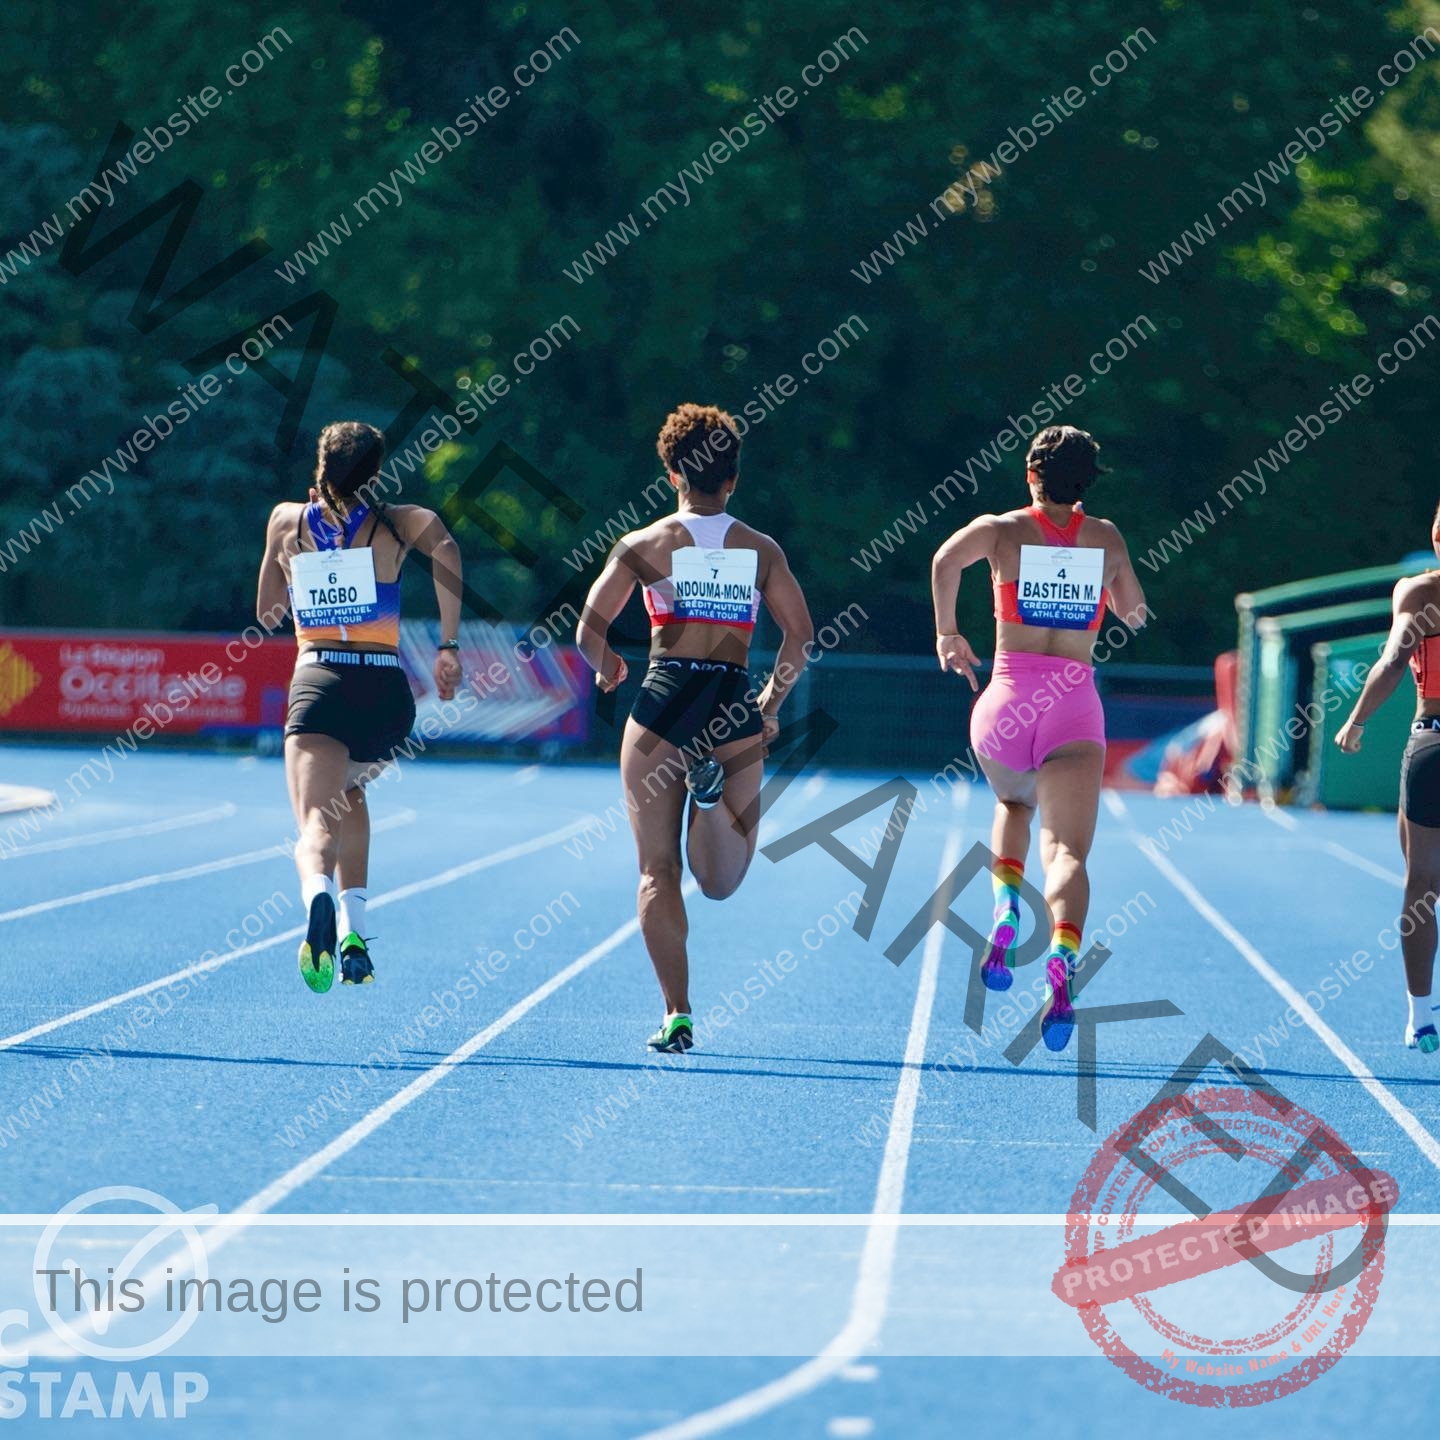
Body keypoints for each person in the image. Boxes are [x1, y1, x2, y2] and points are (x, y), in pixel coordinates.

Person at [577, 403, 814, 1052]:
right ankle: (709, 804)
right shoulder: (759, 548)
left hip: (661, 700)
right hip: (729, 702)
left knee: (657, 871)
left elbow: (588, 629)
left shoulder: (643, 544)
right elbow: (801, 635)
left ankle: (677, 1011)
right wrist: (767, 704)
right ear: (732, 480)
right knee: (721, 879)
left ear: (672, 474)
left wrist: (607, 668)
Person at [931, 425, 1147, 1050]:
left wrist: (949, 634)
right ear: (1088, 483)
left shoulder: (1001, 529)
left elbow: (945, 560)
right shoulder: (1105, 537)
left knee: (1011, 804)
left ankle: (1004, 912)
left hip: (1005, 701)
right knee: (1069, 853)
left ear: (1031, 476)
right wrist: (1102, 585)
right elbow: (1134, 613)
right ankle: (1062, 949)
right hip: (1073, 706)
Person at [255, 421, 463, 993]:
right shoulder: (401, 522)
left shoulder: (286, 520)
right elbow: (448, 550)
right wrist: (448, 646)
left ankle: (317, 897)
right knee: (351, 793)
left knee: (315, 823)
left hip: (320, 679)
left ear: (320, 467)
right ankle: (354, 933)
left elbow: (268, 612)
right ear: (376, 472)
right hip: (385, 694)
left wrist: (294, 561)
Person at [1335, 512, 1440, 1051]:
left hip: (1432, 740)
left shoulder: (1420, 592)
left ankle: (1421, 1015)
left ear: (1436, 537)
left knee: (1421, 883)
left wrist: (1356, 719)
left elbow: (1395, 658)